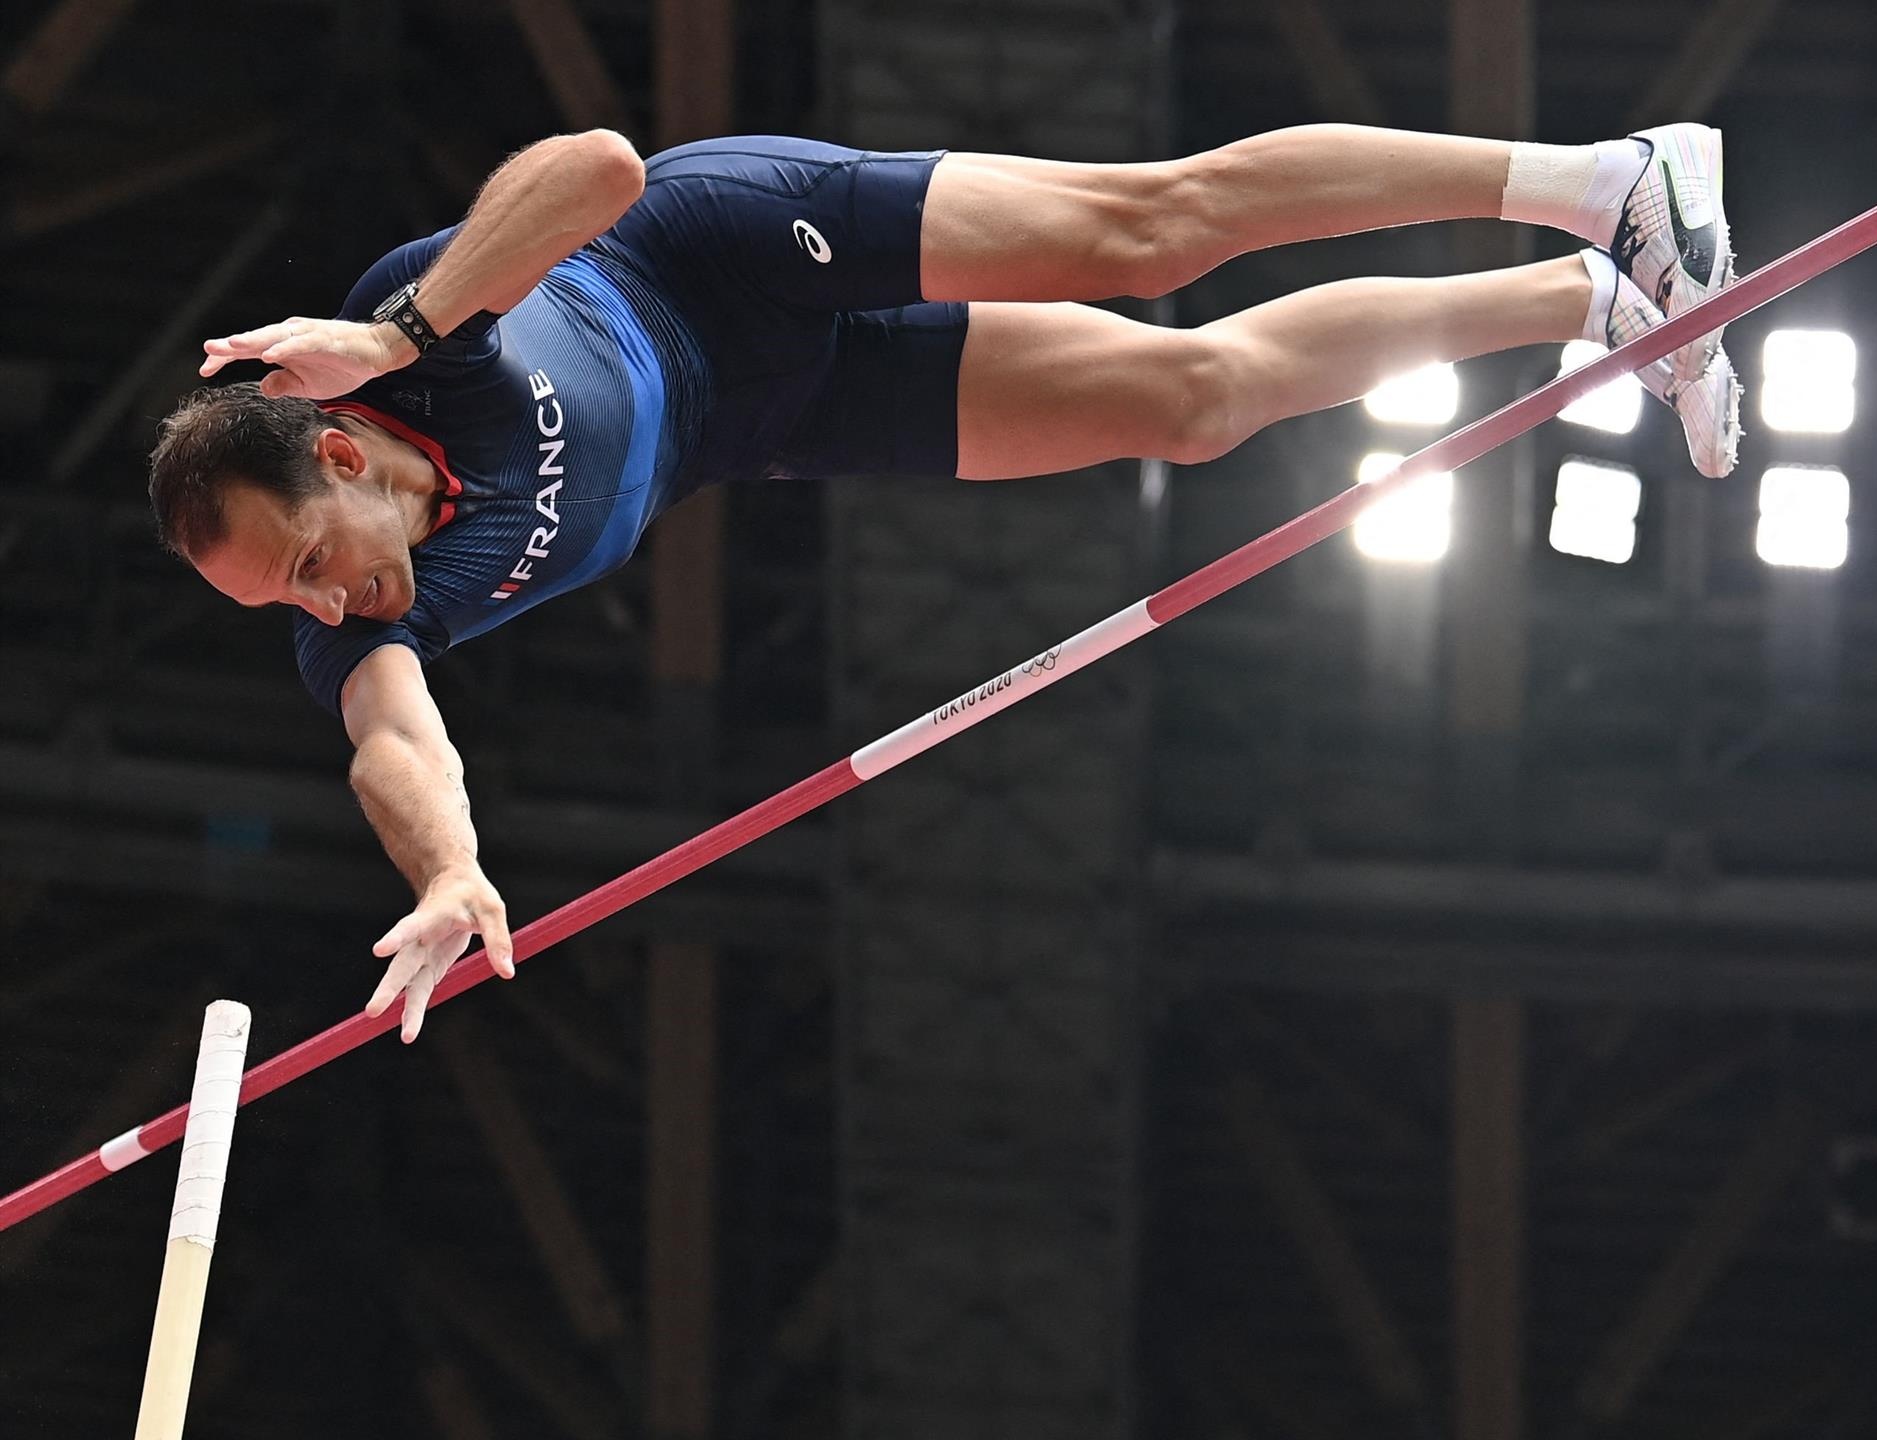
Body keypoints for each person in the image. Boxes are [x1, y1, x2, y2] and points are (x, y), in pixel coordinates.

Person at [149, 123, 1742, 1042]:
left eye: (303, 564)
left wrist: (408, 329)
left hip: (720, 254)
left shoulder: (414, 333)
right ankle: (1596, 302)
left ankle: (1603, 179)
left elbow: (602, 169)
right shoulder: (386, 621)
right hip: (763, 420)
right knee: (1192, 407)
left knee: (1149, 233)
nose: (323, 608)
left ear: (343, 454)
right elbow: (395, 745)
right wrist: (448, 876)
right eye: (278, 609)